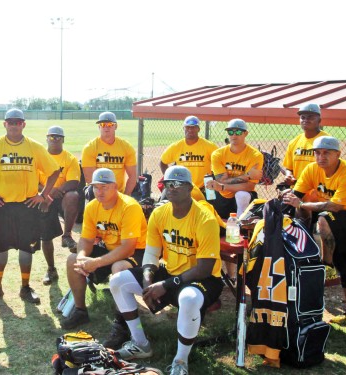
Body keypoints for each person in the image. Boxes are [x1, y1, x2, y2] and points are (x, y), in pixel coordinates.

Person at [108, 166, 223, 375]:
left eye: (178, 184)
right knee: (117, 281)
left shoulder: (205, 218)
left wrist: (165, 285)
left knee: (188, 298)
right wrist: (147, 285)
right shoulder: (159, 213)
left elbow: (205, 268)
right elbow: (151, 255)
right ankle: (141, 343)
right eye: (168, 183)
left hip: (203, 278)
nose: (172, 188)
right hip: (170, 271)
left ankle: (181, 361)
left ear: (190, 188)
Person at [0, 108, 60, 305]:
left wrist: (43, 195)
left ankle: (25, 287)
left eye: (18, 122)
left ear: (23, 124)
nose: (14, 125)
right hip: (3, 205)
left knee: (26, 249)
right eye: (10, 121)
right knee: (1, 247)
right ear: (4, 124)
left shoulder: (34, 147)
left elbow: (54, 171)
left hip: (27, 205)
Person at [282, 136, 346, 325]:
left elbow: (334, 206)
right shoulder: (312, 169)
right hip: (337, 218)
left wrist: (302, 203)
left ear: (338, 154)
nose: (321, 157)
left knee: (323, 218)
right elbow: (297, 194)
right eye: (317, 153)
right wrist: (286, 198)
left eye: (327, 152)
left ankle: (327, 265)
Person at [60, 168, 147, 329]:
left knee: (118, 267)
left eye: (104, 187)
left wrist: (96, 262)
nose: (99, 191)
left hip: (138, 252)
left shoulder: (129, 206)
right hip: (111, 249)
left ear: (115, 186)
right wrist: (82, 257)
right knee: (73, 260)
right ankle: (80, 311)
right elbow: (86, 239)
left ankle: (121, 321)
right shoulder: (93, 206)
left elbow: (128, 247)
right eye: (96, 187)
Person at [39, 125, 81, 285]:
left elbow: (73, 181)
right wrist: (46, 193)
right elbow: (33, 181)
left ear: (63, 140)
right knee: (46, 235)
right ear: (46, 138)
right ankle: (51, 269)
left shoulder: (69, 158)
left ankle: (67, 235)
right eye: (51, 137)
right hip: (44, 194)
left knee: (73, 196)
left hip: (62, 195)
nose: (54, 140)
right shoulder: (39, 156)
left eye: (58, 137)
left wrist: (57, 190)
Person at [205, 118, 264, 219]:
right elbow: (221, 180)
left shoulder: (255, 155)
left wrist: (222, 186)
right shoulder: (218, 154)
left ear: (245, 133)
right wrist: (247, 176)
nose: (234, 135)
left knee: (242, 195)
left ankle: (241, 223)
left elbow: (249, 186)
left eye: (238, 132)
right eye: (230, 132)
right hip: (222, 195)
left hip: (242, 196)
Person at [160, 115, 218, 201]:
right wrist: (170, 179)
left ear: (198, 129)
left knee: (210, 209)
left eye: (193, 127)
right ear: (184, 128)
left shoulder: (209, 146)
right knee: (165, 201)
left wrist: (214, 178)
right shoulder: (177, 146)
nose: (190, 130)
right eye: (187, 127)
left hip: (204, 187)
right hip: (181, 187)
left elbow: (219, 162)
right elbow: (163, 162)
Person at [81, 112, 137, 195]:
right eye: (103, 124)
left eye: (110, 124)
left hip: (119, 193)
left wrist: (125, 197)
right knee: (91, 191)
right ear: (99, 127)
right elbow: (90, 179)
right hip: (96, 192)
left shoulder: (126, 147)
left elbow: (132, 176)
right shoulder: (90, 147)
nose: (106, 127)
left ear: (116, 126)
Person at [281, 103, 330, 188]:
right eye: (302, 117)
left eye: (310, 117)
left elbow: (332, 169)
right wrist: (288, 175)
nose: (306, 120)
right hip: (297, 190)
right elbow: (289, 168)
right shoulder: (294, 142)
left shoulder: (327, 141)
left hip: (319, 191)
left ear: (319, 121)